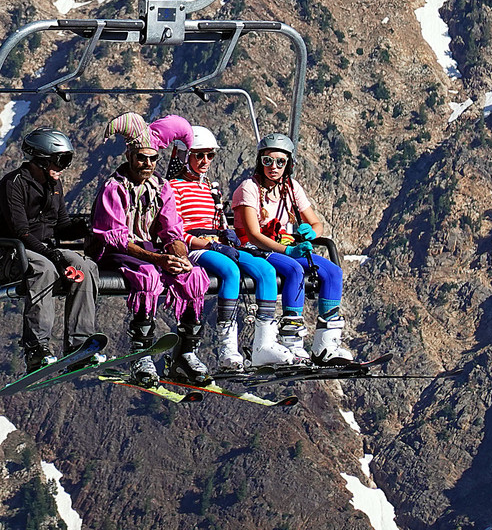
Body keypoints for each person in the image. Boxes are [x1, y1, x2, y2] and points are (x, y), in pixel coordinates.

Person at [90, 121, 211, 386]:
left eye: (153, 159)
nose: (147, 164)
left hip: (148, 249)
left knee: (195, 277)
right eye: (141, 158)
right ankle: (140, 354)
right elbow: (115, 238)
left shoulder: (162, 188)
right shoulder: (114, 188)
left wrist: (180, 257)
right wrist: (158, 260)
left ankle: (186, 353)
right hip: (117, 251)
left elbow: (171, 230)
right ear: (129, 157)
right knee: (147, 276)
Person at [166, 126, 293, 369]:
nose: (205, 161)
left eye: (210, 156)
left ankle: (264, 344)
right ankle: (228, 348)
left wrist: (227, 237)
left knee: (265, 270)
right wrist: (210, 245)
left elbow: (217, 222)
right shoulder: (174, 187)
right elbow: (176, 231)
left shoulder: (209, 189)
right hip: (195, 246)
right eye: (199, 155)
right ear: (185, 156)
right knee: (230, 271)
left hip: (218, 244)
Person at [231, 132, 353, 362]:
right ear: (260, 162)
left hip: (285, 245)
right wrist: (287, 251)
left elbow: (316, 223)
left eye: (280, 162)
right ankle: (292, 341)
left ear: (288, 164)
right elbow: (253, 235)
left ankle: (326, 345)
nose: (273, 167)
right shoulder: (250, 188)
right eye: (267, 161)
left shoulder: (290, 188)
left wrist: (311, 232)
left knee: (333, 272)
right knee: (294, 269)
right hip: (257, 249)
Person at [0, 127, 101, 372]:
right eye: (59, 161)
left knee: (84, 265)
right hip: (11, 254)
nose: (62, 167)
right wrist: (52, 255)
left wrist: (83, 229)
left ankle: (79, 344)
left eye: (66, 161)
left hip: (43, 250)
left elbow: (60, 226)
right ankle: (36, 348)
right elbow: (20, 232)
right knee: (44, 269)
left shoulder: (54, 185)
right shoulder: (14, 184)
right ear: (40, 160)